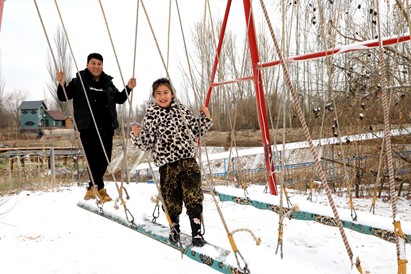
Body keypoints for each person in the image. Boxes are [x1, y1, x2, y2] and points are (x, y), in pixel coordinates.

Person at [130, 78, 212, 247]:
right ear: (154, 96)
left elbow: (195, 129)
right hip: (167, 164)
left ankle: (196, 232)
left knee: (193, 195)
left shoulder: (182, 110)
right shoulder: (151, 116)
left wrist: (206, 116)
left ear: (172, 93)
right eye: (158, 94)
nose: (162, 97)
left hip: (187, 160)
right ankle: (174, 227)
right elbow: (147, 143)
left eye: (165, 92)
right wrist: (137, 135)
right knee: (171, 198)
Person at [56, 53, 136, 203]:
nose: (96, 66)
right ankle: (100, 188)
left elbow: (119, 98)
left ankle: (92, 188)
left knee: (105, 159)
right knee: (92, 160)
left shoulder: (107, 82)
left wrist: (128, 88)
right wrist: (61, 84)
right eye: (93, 63)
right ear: (87, 65)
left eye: (99, 64)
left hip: (106, 127)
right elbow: (64, 96)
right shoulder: (78, 81)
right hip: (87, 127)